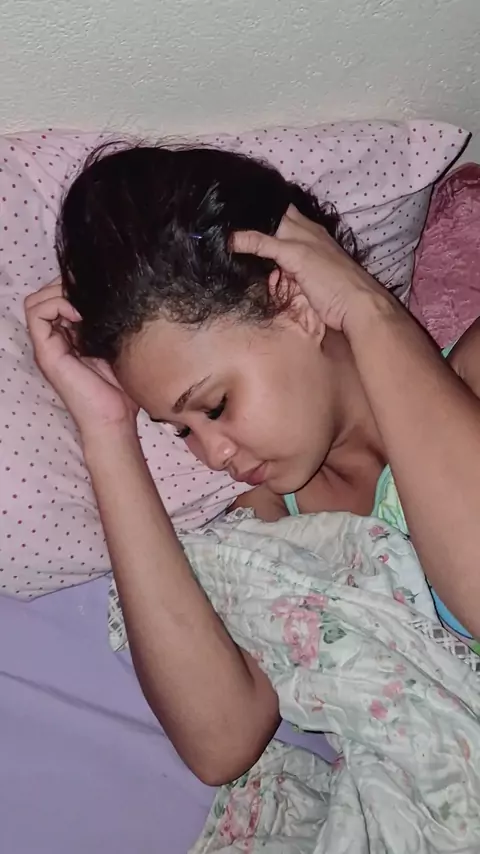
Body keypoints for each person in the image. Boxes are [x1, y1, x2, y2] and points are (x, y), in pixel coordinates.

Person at [25, 143, 480, 786]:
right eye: (180, 430)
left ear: (295, 302)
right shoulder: (278, 530)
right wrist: (106, 432)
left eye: (215, 405)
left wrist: (367, 310)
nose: (213, 455)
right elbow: (221, 744)